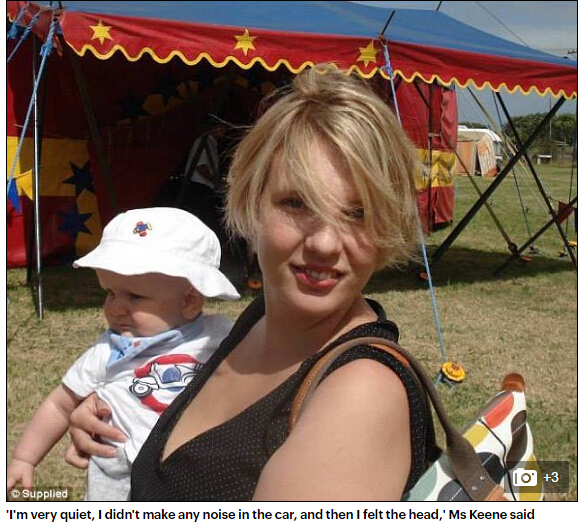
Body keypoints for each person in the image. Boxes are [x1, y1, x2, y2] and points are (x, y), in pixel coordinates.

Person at [67, 65, 436, 501]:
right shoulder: (260, 319)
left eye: (357, 213)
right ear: (251, 200)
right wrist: (119, 410)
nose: (324, 243)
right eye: (296, 203)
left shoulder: (361, 395)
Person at [6, 207, 240, 501]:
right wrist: (24, 459)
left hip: (192, 477)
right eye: (110, 292)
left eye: (135, 296)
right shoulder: (109, 351)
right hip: (118, 480)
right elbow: (60, 405)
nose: (115, 308)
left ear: (190, 301)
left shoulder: (218, 338)